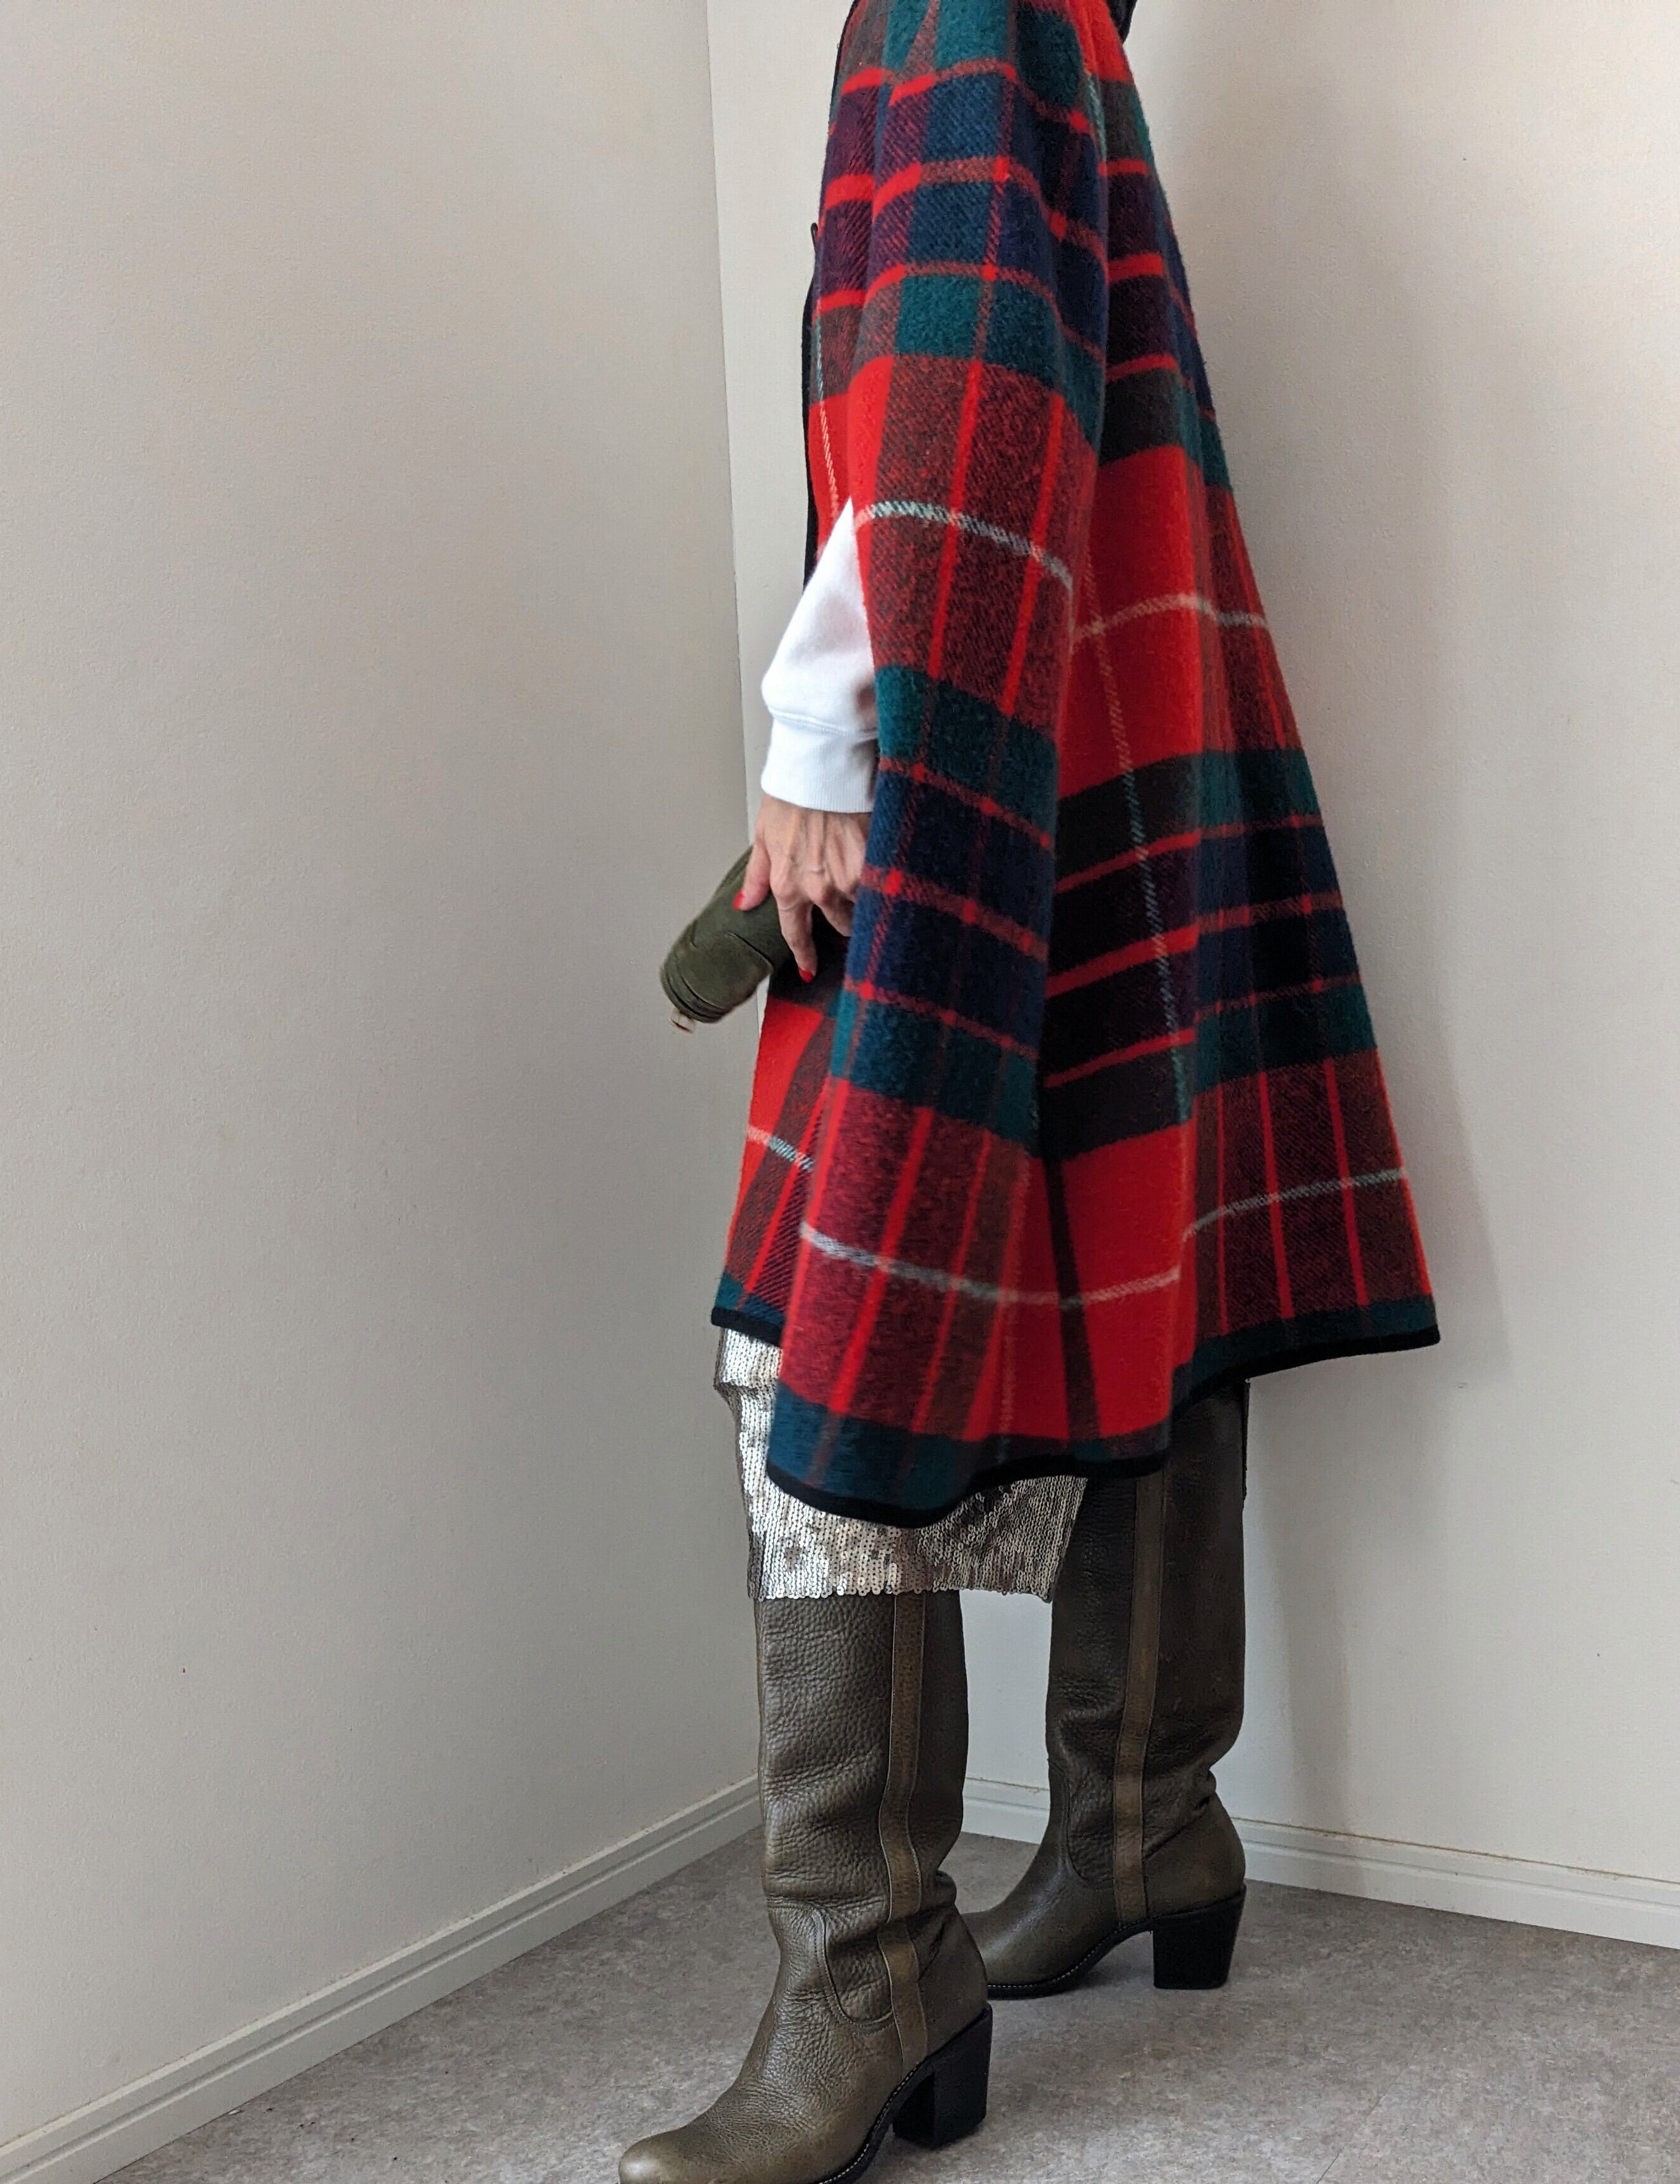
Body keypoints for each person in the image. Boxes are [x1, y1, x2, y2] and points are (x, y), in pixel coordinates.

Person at [621, 1, 1438, 2176]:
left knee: (823, 1322)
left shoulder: (963, 6)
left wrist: (821, 733)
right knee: (1136, 1251)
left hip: (981, 734)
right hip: (1106, 715)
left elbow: (963, 390)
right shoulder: (1064, 20)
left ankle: (872, 1965)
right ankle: (1145, 1820)